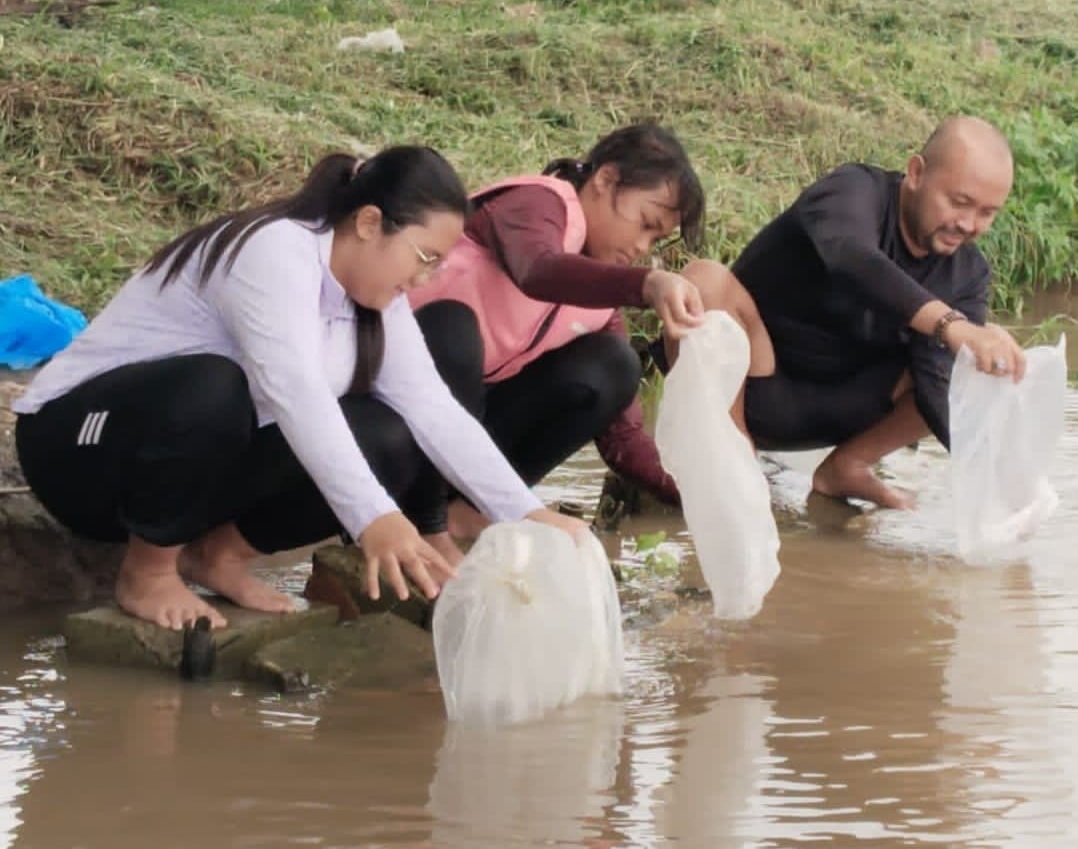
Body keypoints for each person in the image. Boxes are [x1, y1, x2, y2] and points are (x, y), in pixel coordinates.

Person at [14, 147, 582, 631]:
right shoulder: (274, 251)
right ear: (369, 223)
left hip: (186, 467)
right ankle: (148, 574)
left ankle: (215, 556)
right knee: (214, 387)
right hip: (76, 451)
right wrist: (374, 518)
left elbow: (436, 410)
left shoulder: (377, 302)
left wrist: (527, 514)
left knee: (388, 438)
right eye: (424, 257)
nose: (425, 279)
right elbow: (296, 393)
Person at [408, 122, 775, 530]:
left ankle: (469, 512)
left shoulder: (599, 303)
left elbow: (623, 440)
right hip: (398, 410)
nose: (642, 247)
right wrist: (646, 283)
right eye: (645, 223)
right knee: (454, 332)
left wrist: (711, 494)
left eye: (656, 241)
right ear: (605, 179)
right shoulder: (536, 203)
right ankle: (426, 520)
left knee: (614, 365)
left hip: (465, 433)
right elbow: (537, 269)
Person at [731, 115, 1027, 510]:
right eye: (959, 203)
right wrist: (949, 324)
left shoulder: (968, 274)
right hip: (755, 384)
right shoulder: (852, 190)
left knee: (961, 368)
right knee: (707, 280)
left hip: (843, 411)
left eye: (987, 213)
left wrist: (995, 473)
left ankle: (847, 467)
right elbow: (850, 256)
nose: (968, 224)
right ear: (916, 172)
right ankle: (732, 462)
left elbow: (940, 388)